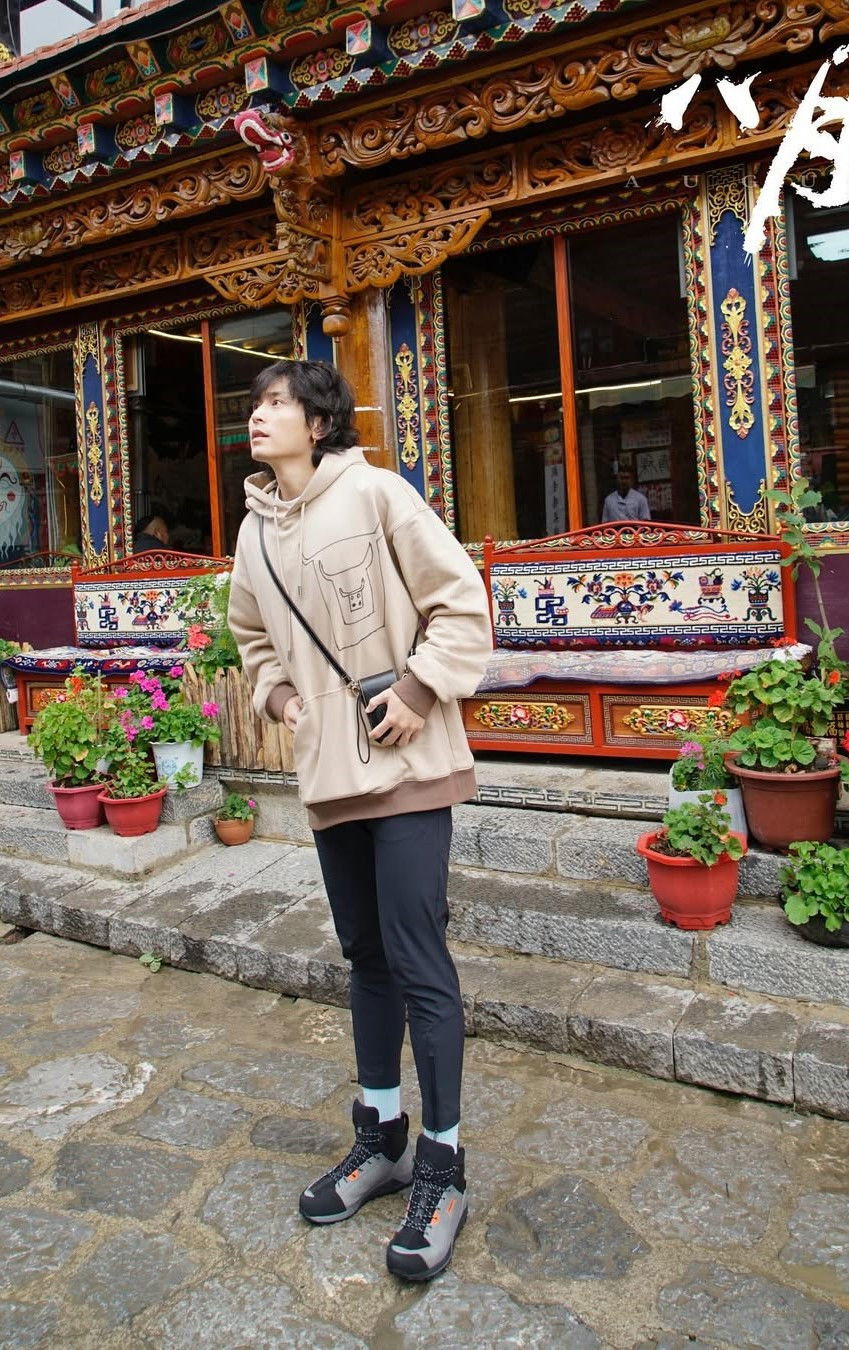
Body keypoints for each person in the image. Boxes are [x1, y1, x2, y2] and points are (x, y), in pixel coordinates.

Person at [227, 359, 492, 1282]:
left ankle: (444, 1166)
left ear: (318, 422)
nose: (259, 416)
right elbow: (250, 636)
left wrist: (419, 689)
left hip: (408, 764)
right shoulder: (254, 534)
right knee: (364, 956)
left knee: (419, 958)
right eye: (255, 404)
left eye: (276, 403)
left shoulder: (377, 493)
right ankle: (382, 1137)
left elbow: (461, 600)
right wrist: (280, 698)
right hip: (330, 775)